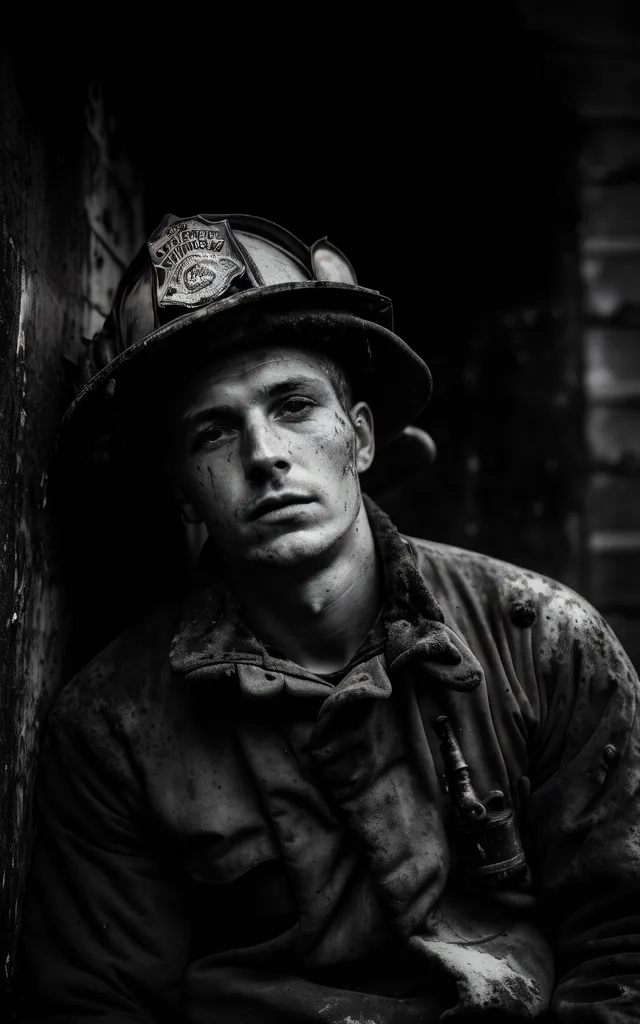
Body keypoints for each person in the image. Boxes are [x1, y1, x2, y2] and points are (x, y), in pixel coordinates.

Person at [20, 213, 640, 1023]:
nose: (264, 454)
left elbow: (624, 943)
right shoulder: (113, 729)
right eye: (213, 429)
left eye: (293, 405)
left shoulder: (543, 642)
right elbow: (95, 1006)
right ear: (180, 488)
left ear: (360, 437)